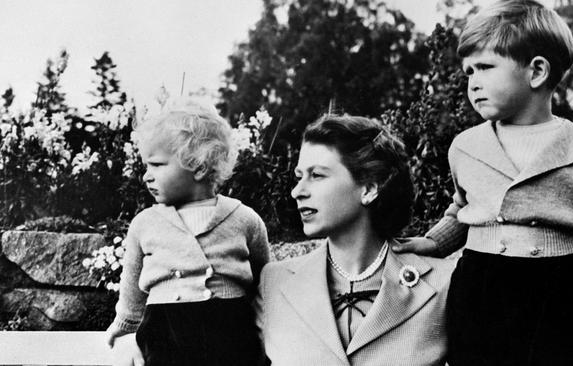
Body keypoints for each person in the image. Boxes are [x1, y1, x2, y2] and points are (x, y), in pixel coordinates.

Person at [393, 1, 573, 365]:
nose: (473, 82)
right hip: (480, 287)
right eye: (468, 71)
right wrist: (433, 242)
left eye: (485, 68)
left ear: (537, 71)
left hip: (560, 292)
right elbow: (462, 208)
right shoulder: (466, 147)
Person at [256, 115, 454, 365]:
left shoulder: (443, 283)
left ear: (369, 189)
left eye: (316, 175)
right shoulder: (273, 283)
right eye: (299, 176)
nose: (298, 191)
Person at [105, 97, 270, 366]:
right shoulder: (145, 223)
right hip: (165, 332)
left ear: (199, 166)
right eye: (146, 166)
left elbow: (265, 281)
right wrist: (126, 328)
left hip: (231, 332)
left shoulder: (244, 219)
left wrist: (267, 330)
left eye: (157, 165)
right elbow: (132, 288)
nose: (146, 175)